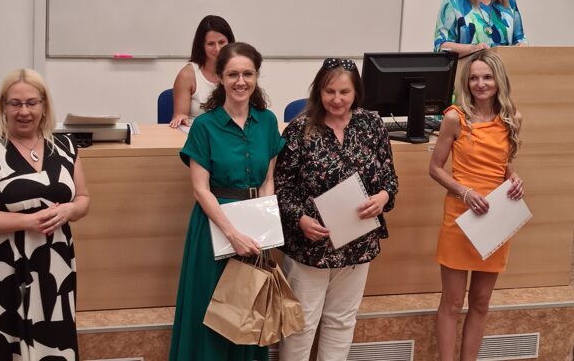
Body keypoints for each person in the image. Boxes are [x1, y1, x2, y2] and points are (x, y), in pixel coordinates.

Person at [274, 58, 399, 361]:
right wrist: (300, 219)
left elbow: (389, 179)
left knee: (341, 322)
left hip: (357, 242)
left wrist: (382, 197)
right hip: (310, 245)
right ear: (318, 91)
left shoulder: (372, 124)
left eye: (344, 92)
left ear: (356, 93)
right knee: (301, 326)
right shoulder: (299, 129)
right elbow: (281, 188)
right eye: (329, 91)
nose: (337, 99)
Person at [169, 42, 285, 361]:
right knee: (211, 317)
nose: (241, 81)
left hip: (254, 231)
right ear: (220, 78)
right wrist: (233, 234)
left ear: (256, 76)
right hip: (214, 229)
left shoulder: (268, 121)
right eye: (233, 74)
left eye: (248, 74)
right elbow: (200, 190)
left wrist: (262, 233)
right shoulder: (204, 125)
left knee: (246, 316)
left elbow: (267, 180)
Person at [0, 68, 90, 360]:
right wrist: (29, 221)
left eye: (31, 103)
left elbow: (83, 199)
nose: (24, 111)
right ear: (2, 106)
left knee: (53, 341)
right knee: (3, 343)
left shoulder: (65, 146)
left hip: (55, 265)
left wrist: (70, 210)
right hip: (1, 267)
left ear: (44, 105)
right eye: (15, 103)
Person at [429, 50, 524, 361]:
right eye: (473, 78)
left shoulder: (512, 118)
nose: (480, 84)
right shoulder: (455, 118)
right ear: (466, 82)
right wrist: (465, 192)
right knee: (453, 302)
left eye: (487, 77)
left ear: (499, 80)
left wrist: (514, 177)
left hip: (496, 218)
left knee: (481, 301)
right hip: (460, 217)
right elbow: (435, 168)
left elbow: (502, 164)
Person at [169, 15, 235, 128]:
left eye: (222, 42)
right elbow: (179, 118)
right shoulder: (188, 74)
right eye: (211, 44)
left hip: (230, 132)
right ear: (201, 46)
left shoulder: (238, 69)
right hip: (198, 132)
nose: (217, 49)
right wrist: (181, 118)